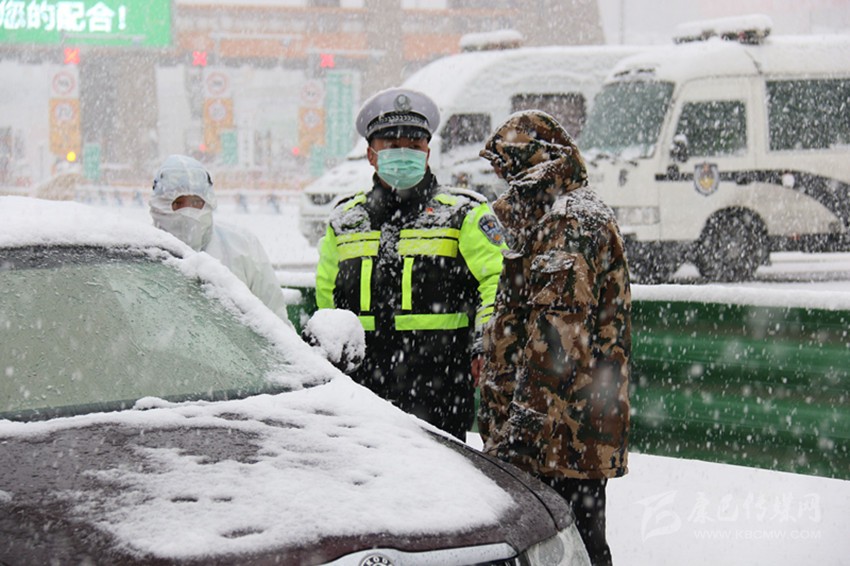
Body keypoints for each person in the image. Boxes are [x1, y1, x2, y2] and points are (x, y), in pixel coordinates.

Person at [477, 111, 631, 566]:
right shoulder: (548, 217)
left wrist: (522, 430)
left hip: (562, 437)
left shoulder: (569, 222)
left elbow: (557, 339)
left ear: (529, 164)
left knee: (573, 551)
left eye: (506, 167)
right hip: (556, 432)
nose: (501, 179)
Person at [315, 87, 506, 440]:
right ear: (371, 155)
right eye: (392, 145)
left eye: (415, 146)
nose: (404, 153)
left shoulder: (463, 212)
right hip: (361, 391)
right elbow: (327, 300)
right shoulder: (345, 220)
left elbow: (497, 281)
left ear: (428, 153)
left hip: (441, 387)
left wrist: (485, 347)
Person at [149, 154, 290, 323]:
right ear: (160, 206)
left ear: (208, 202)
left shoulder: (242, 246)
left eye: (196, 203)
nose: (188, 213)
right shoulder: (141, 255)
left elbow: (274, 319)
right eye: (178, 203)